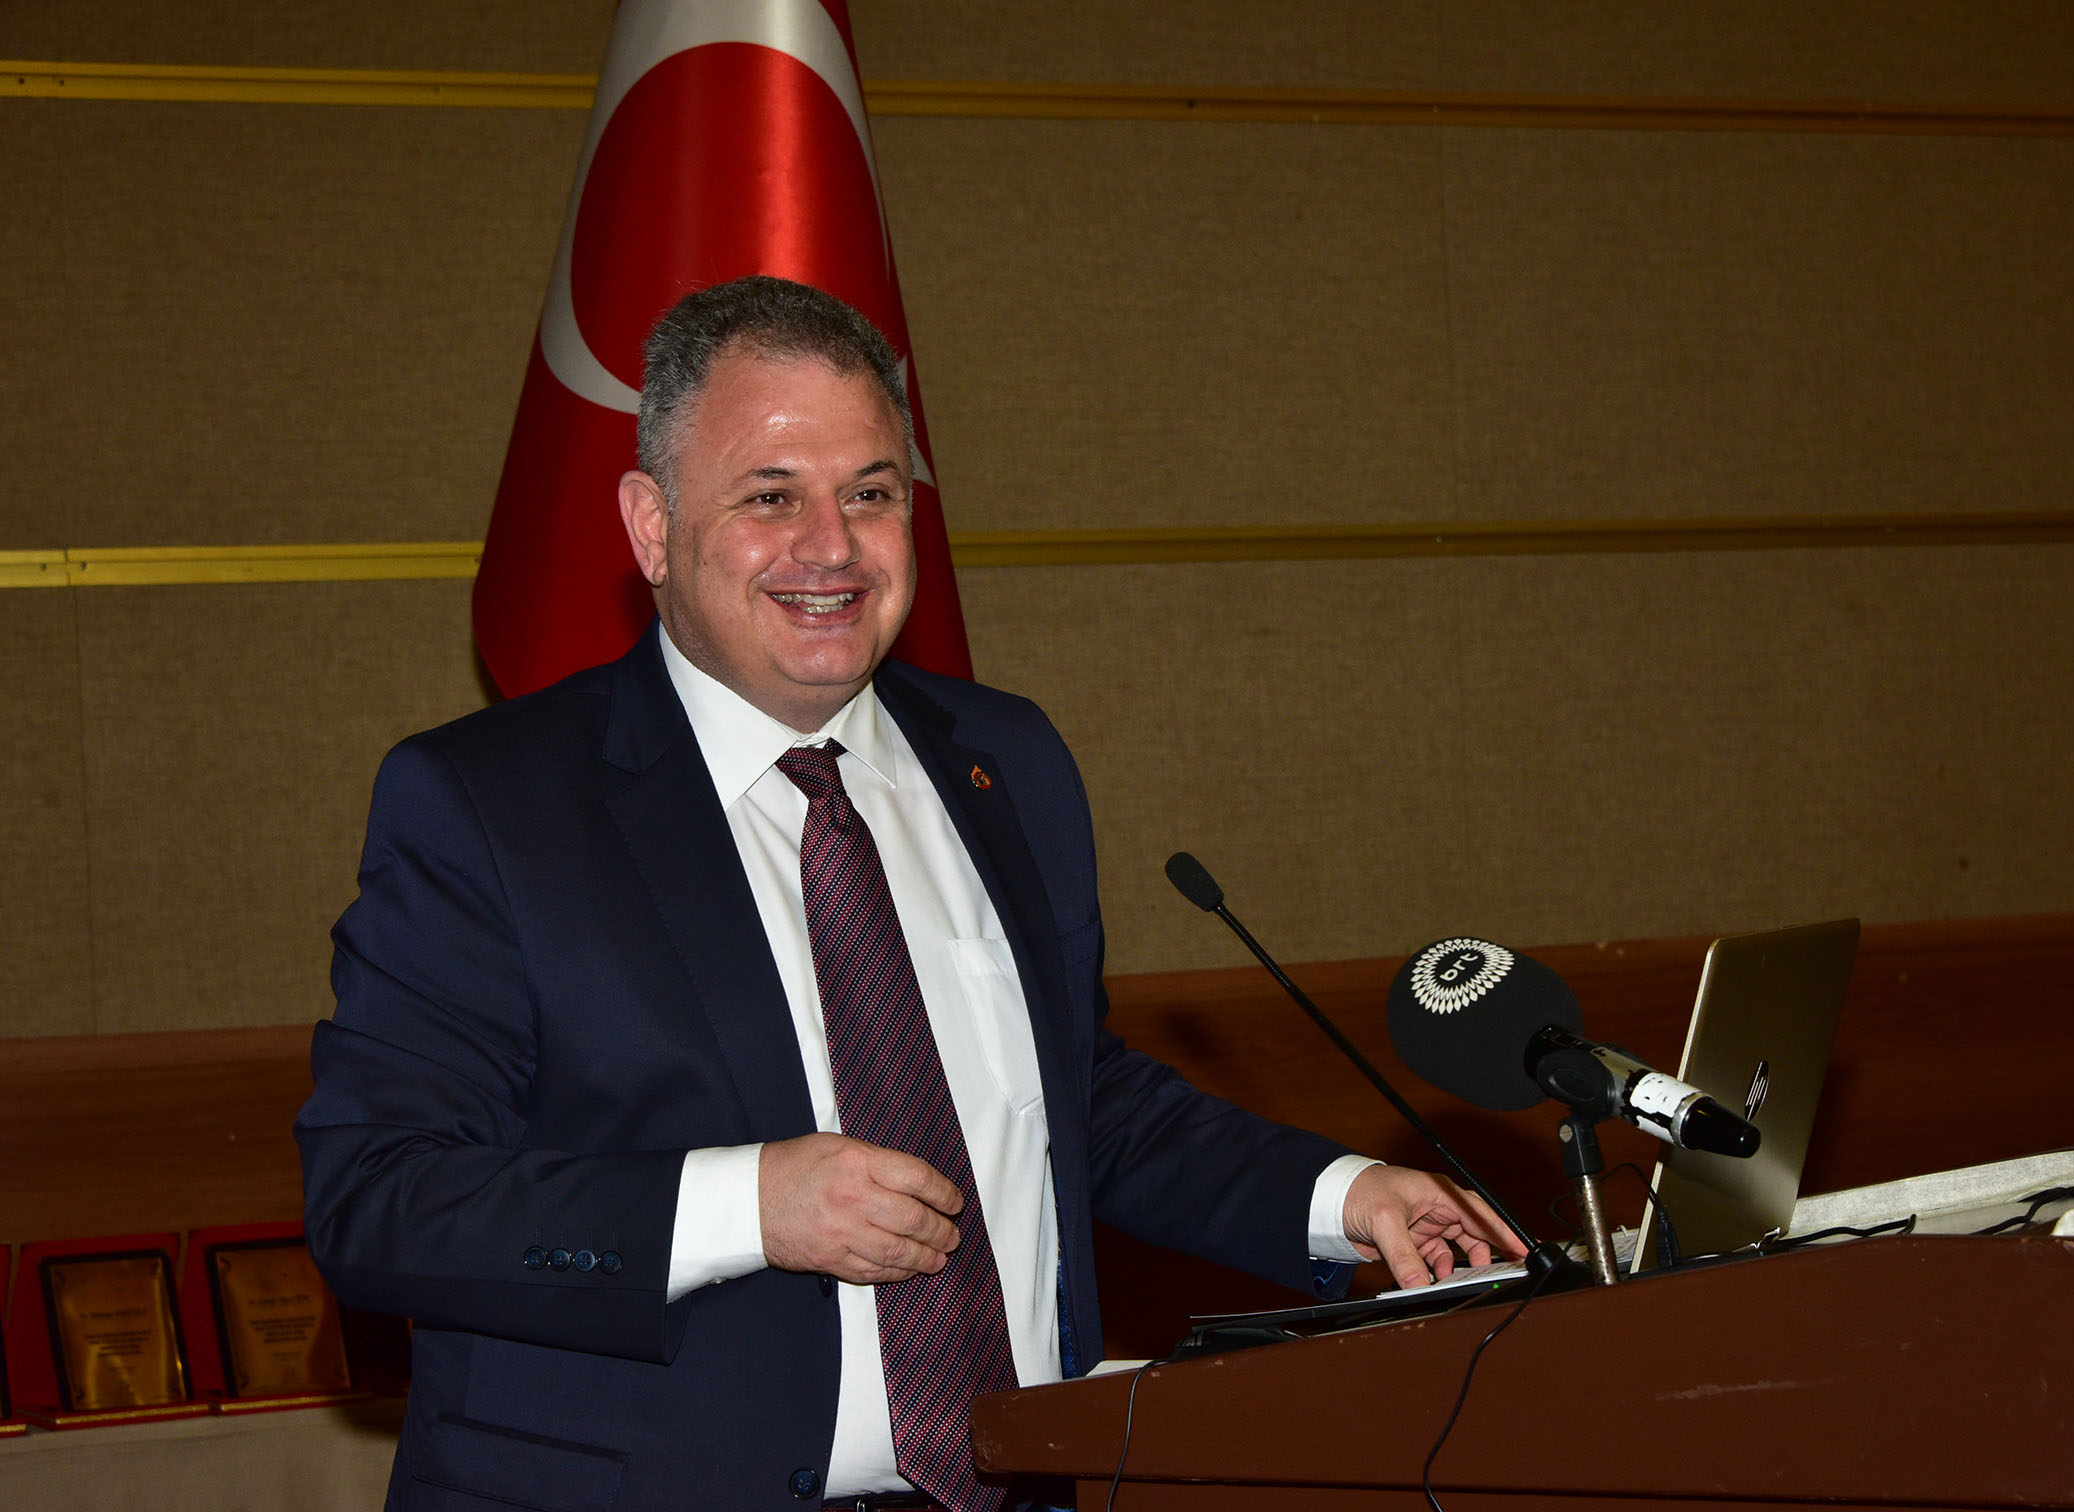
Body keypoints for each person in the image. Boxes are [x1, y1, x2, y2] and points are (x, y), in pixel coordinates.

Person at [297, 275, 1518, 1512]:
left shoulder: (1006, 759)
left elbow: (1069, 1104)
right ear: (652, 526)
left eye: (871, 494)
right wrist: (748, 1206)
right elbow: (380, 1202)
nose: (831, 546)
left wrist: (1345, 1197)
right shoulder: (489, 805)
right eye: (771, 496)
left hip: (1019, 1485)